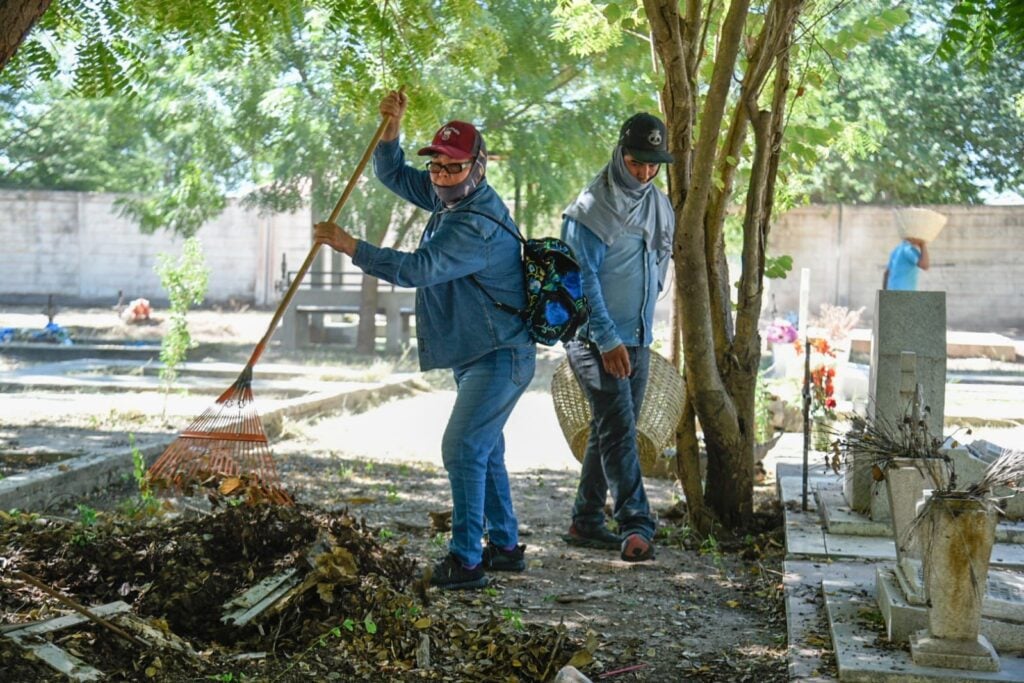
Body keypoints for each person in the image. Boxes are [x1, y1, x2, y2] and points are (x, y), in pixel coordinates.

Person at [313, 91, 536, 590]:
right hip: (480, 351)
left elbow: (419, 270)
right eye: (436, 166)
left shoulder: (475, 225)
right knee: (484, 449)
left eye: (453, 168)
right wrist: (391, 130)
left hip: (502, 355)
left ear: (477, 168)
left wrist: (351, 246)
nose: (440, 176)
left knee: (461, 448)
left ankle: (466, 562)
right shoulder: (450, 197)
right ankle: (503, 547)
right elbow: (392, 175)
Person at [559, 112, 675, 563]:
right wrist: (607, 340)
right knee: (621, 429)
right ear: (618, 155)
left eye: (652, 164)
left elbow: (659, 259)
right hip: (593, 341)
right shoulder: (591, 208)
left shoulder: (656, 203)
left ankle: (585, 518)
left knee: (609, 429)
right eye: (635, 162)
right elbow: (581, 279)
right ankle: (636, 523)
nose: (644, 172)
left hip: (637, 339)